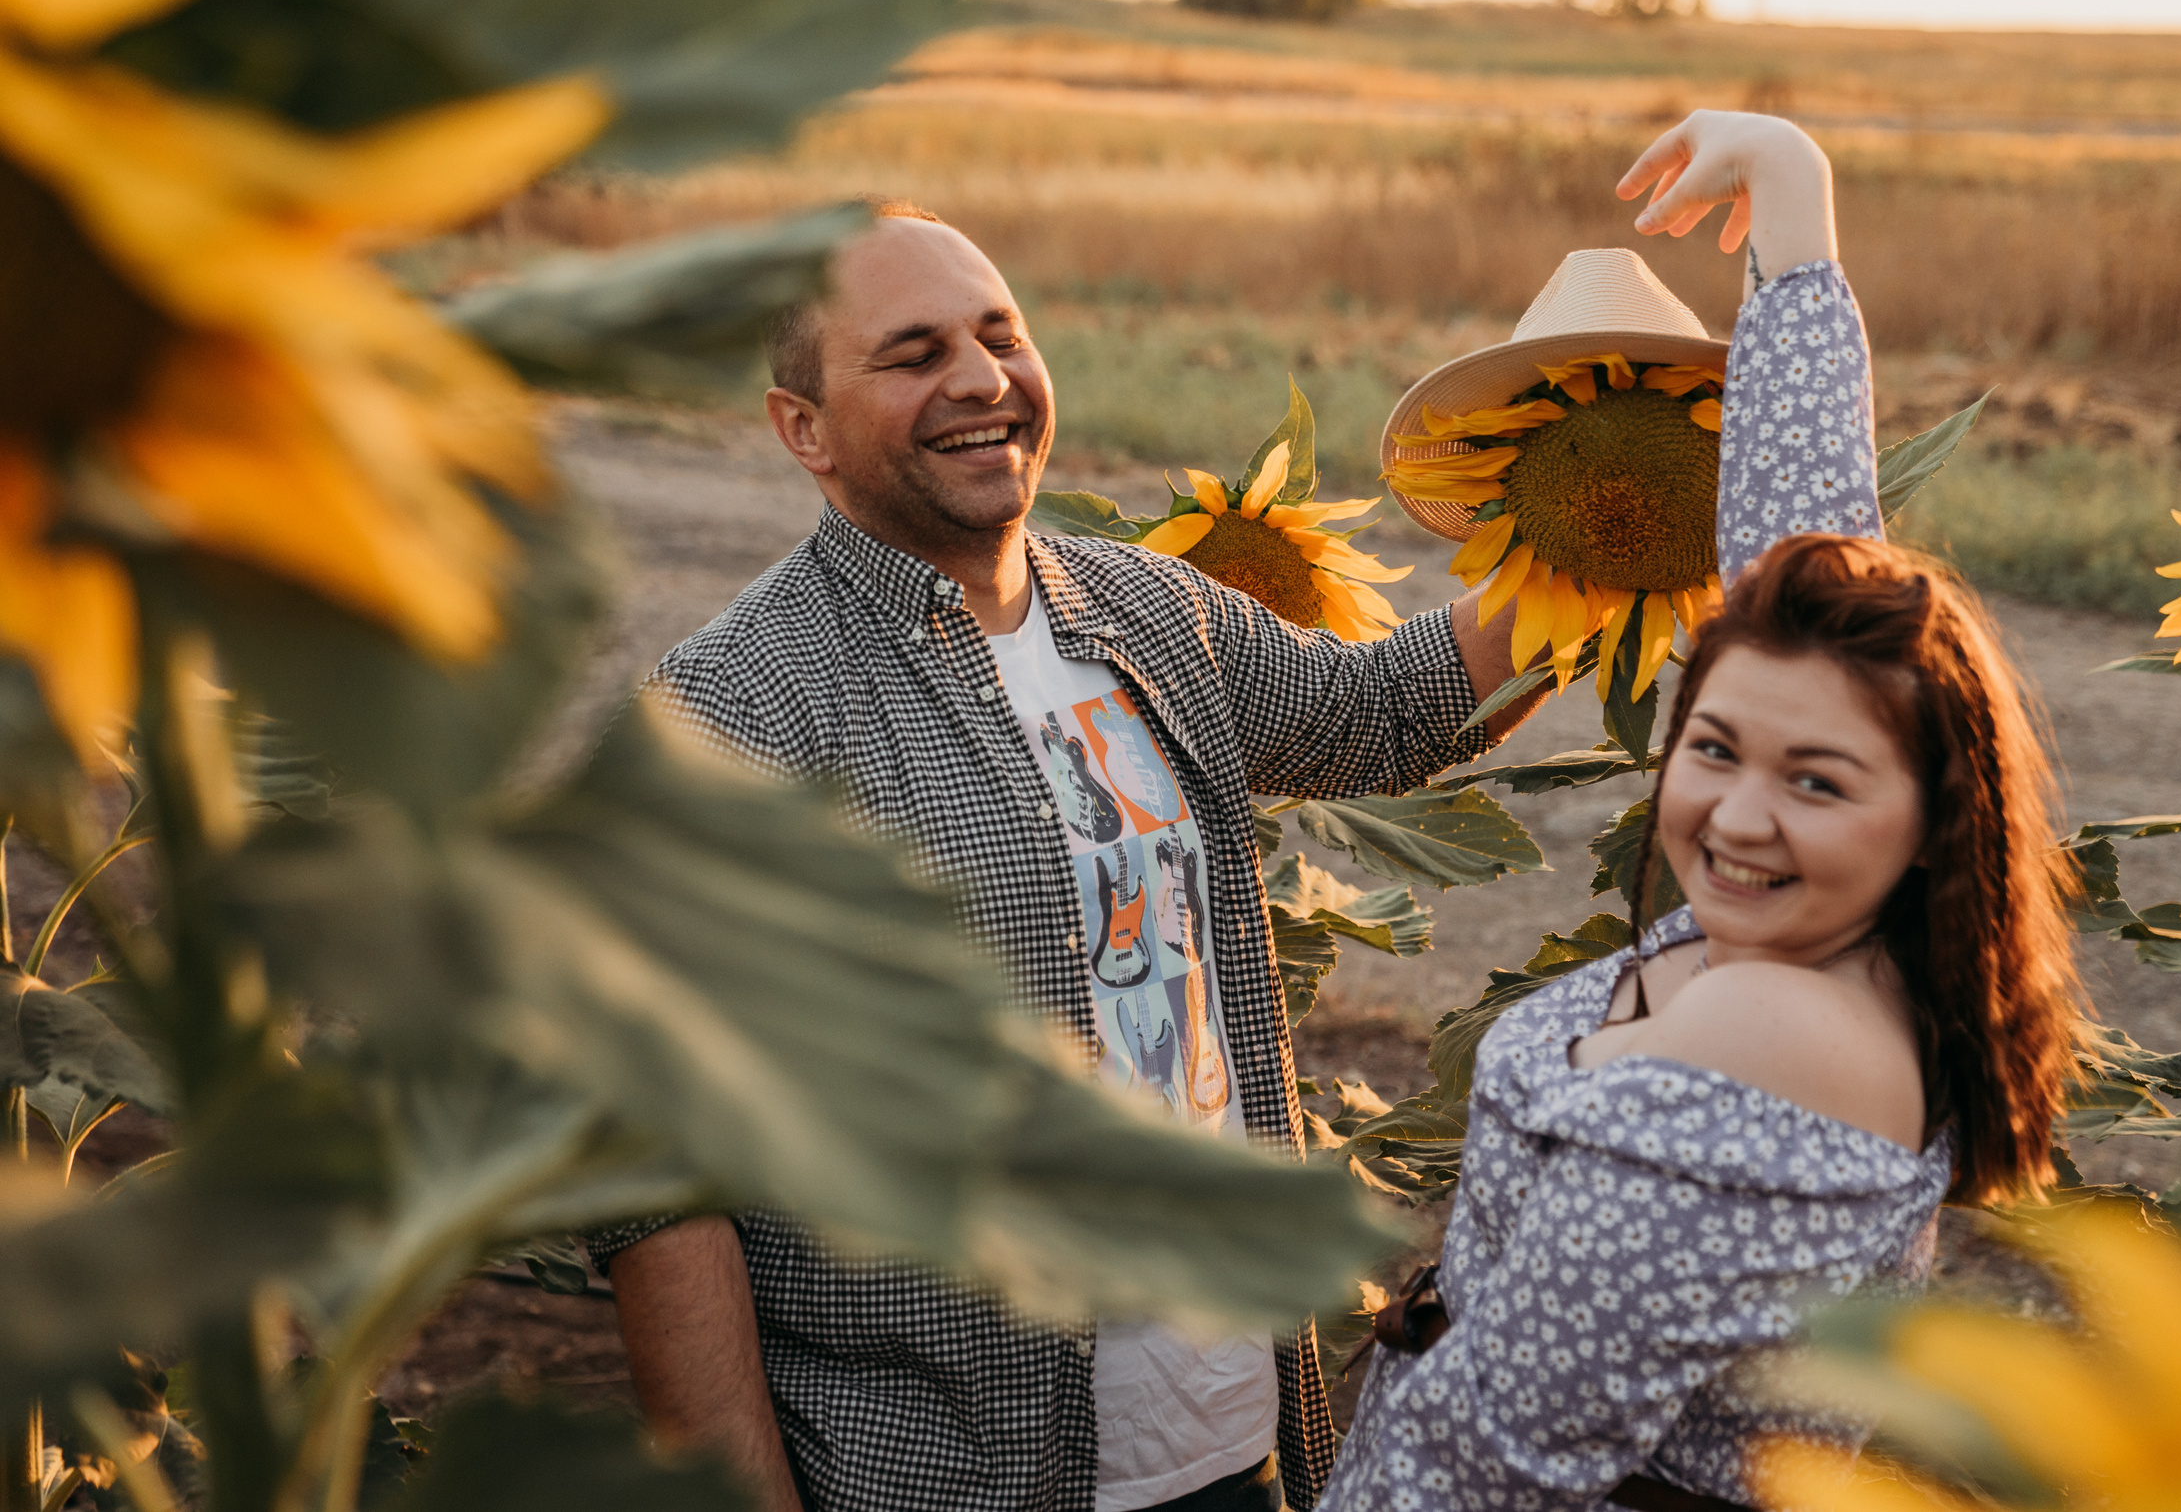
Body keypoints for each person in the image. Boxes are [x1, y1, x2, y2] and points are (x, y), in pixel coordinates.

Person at [591, 200, 1550, 1512]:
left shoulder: (1148, 609)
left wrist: (1605, 525)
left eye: (1001, 334)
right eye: (915, 352)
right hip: (945, 1475)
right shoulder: (728, 716)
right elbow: (658, 1181)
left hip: (1231, 1441)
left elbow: (1377, 713)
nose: (982, 378)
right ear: (799, 429)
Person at [1319, 110, 2084, 1512]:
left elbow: (1486, 1458)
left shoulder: (1764, 1030)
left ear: (1932, 813)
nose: (1739, 816)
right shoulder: (1853, 951)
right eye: (1715, 748)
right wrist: (1795, 199)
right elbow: (1798, 560)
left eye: (1817, 783)